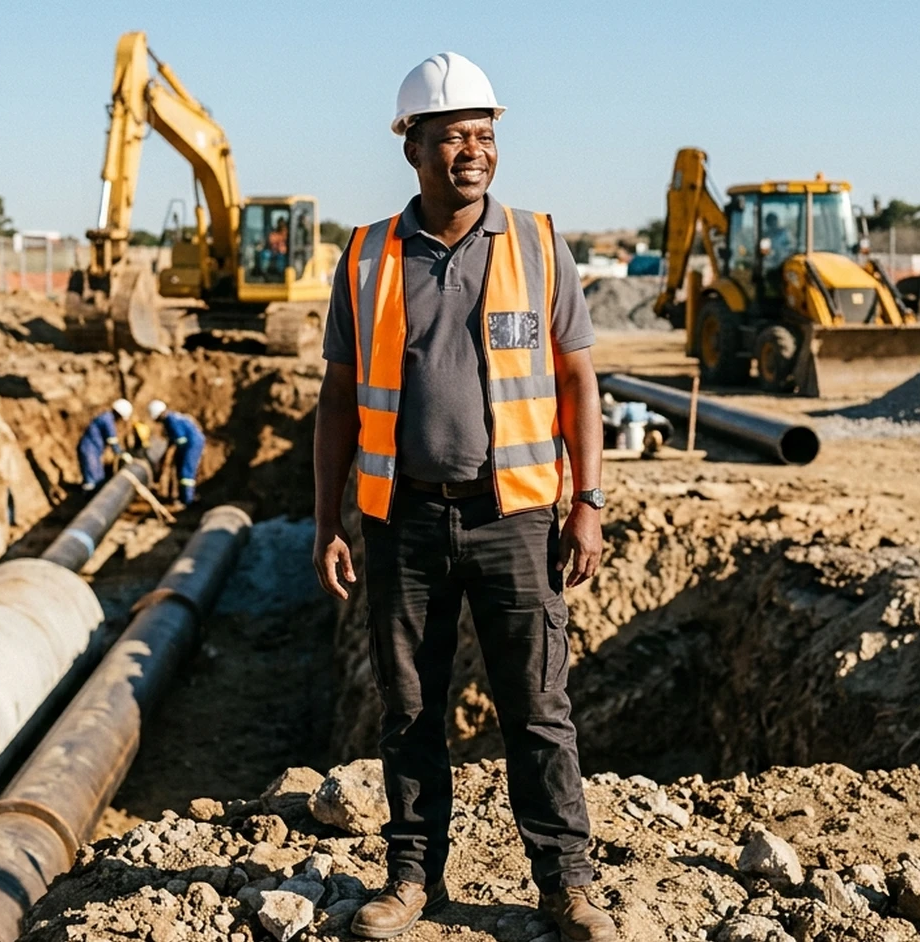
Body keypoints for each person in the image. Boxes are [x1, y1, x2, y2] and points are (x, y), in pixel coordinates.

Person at [311, 52, 612, 941]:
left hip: (514, 517)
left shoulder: (536, 241)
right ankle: (411, 881)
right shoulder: (367, 257)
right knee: (409, 711)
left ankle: (566, 885)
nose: (472, 152)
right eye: (452, 138)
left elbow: (580, 382)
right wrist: (329, 519)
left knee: (538, 711)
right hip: (402, 520)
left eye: (484, 135)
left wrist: (587, 501)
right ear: (413, 147)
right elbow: (336, 400)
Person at [148, 399, 205, 506]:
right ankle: (181, 496)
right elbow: (172, 440)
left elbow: (180, 440)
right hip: (190, 443)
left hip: (192, 444)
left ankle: (188, 501)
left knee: (186, 472)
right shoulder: (170, 419)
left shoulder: (171, 420)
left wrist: (175, 455)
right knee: (180, 469)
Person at [77, 398, 133, 491]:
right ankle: (88, 499)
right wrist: (121, 453)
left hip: (94, 451)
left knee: (99, 477)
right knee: (92, 479)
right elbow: (112, 440)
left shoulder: (107, 418)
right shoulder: (107, 420)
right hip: (89, 450)